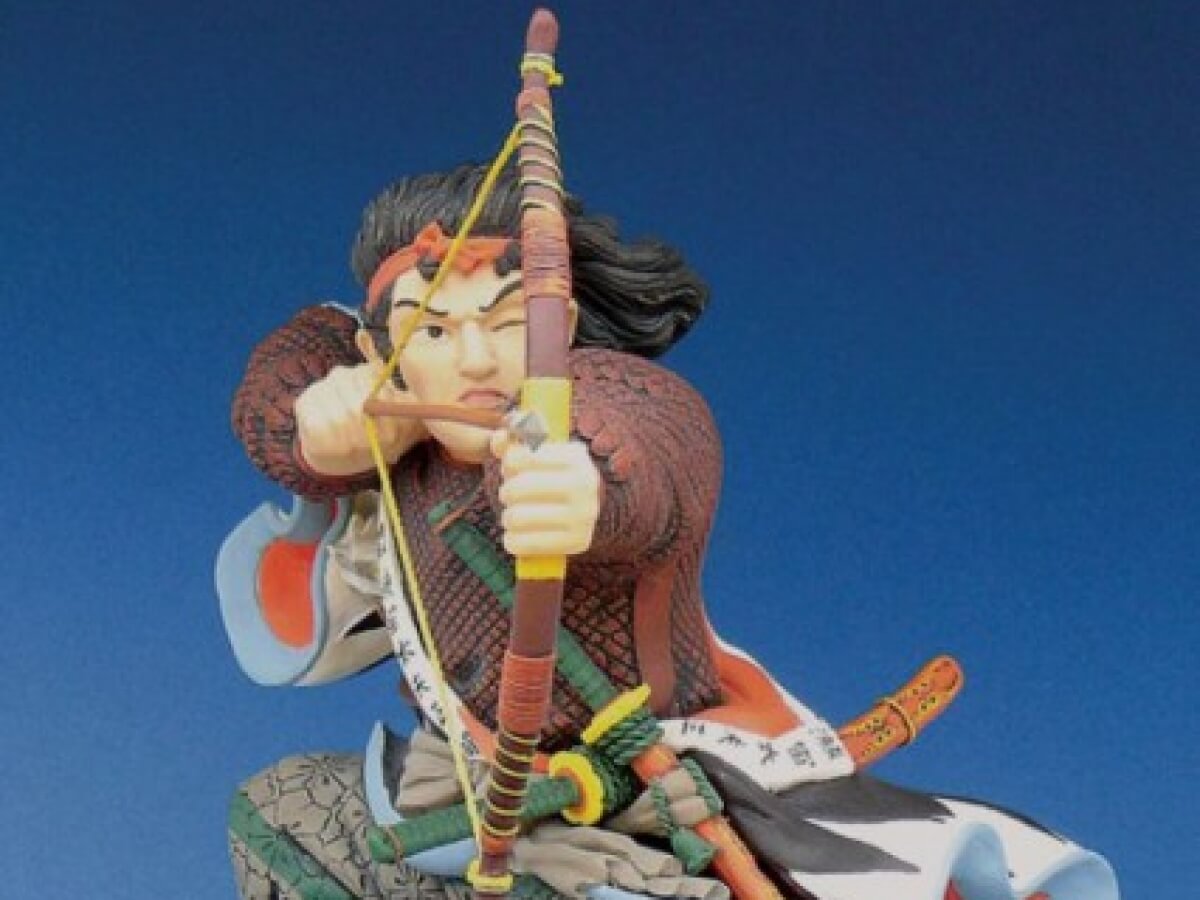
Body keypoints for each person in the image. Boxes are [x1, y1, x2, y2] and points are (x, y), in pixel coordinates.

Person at [218, 163, 1118, 900]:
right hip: (465, 782)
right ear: (382, 352)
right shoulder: (394, 433)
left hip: (656, 782)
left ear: (564, 325)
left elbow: (654, 448)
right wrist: (311, 425)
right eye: (434, 331)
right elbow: (293, 360)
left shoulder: (607, 398)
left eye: (509, 320)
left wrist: (584, 485)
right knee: (275, 813)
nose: (477, 358)